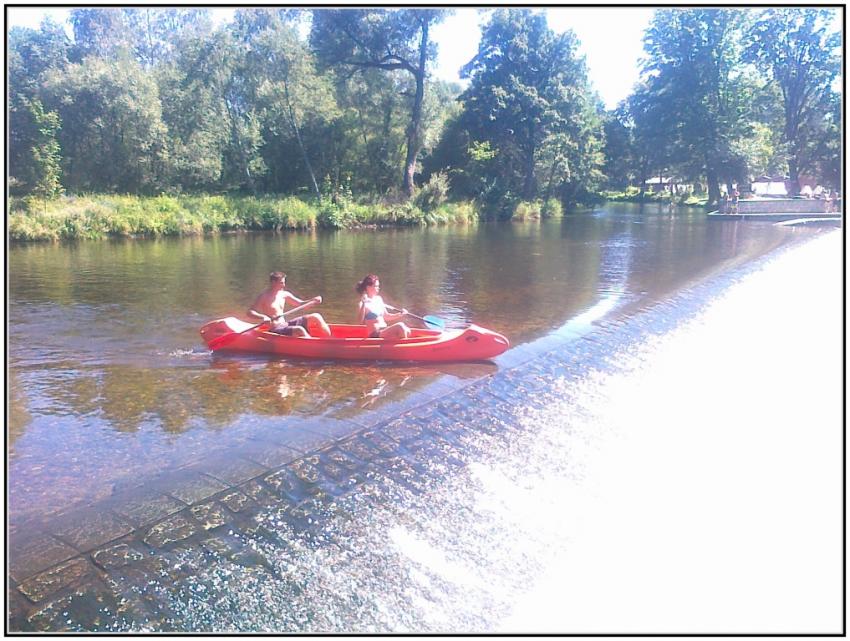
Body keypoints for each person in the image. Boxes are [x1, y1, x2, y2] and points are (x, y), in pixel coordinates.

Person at [248, 271, 331, 337]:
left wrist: (313, 300)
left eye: (284, 282)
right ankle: (314, 345)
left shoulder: (284, 294)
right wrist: (263, 317)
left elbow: (301, 304)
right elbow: (250, 312)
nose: (284, 285)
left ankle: (329, 341)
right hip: (276, 329)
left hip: (285, 324)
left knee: (316, 316)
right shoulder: (264, 296)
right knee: (299, 329)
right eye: (281, 283)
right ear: (273, 282)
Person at [355, 274, 411, 340]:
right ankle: (403, 345)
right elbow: (359, 321)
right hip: (375, 334)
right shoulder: (362, 304)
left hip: (384, 330)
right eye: (376, 286)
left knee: (407, 330)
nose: (378, 288)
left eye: (378, 286)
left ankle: (398, 344)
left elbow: (387, 317)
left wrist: (401, 314)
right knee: (400, 326)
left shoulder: (379, 299)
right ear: (368, 287)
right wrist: (364, 303)